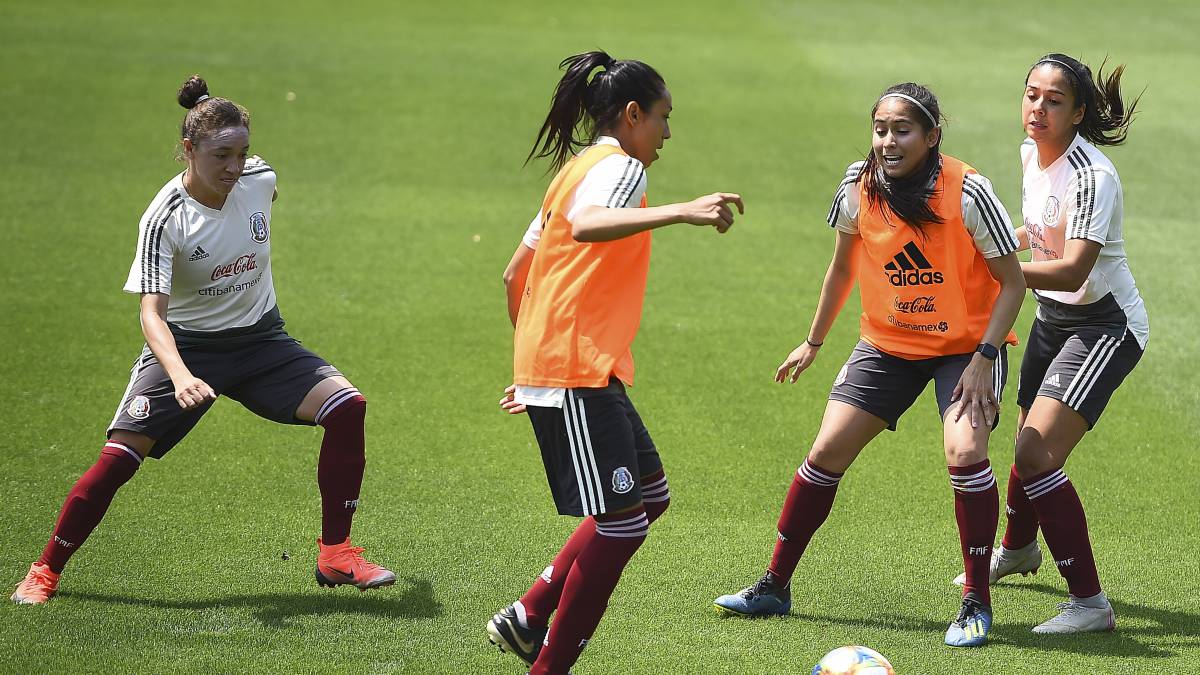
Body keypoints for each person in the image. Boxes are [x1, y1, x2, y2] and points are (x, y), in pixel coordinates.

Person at [11, 75, 394, 605]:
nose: (235, 168)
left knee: (348, 407)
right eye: (221, 156)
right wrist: (180, 374)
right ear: (189, 150)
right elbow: (151, 314)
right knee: (120, 457)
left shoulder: (259, 179)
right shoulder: (165, 217)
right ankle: (45, 569)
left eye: (242, 153)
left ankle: (336, 554)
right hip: (187, 350)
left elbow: (262, 190)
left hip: (262, 343)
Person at [712, 83, 1025, 648]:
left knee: (965, 450)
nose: (888, 141)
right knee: (826, 451)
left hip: (966, 348)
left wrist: (986, 356)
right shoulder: (858, 186)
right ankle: (774, 585)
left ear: (932, 137)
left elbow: (1013, 283)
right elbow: (841, 268)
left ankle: (976, 600)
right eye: (880, 129)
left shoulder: (969, 192)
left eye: (902, 130)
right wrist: (813, 341)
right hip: (887, 344)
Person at [486, 50, 743, 674]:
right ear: (632, 115)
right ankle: (547, 666)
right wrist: (682, 210)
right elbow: (589, 226)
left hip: (574, 367)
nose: (667, 133)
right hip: (575, 367)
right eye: (662, 117)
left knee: (648, 498)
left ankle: (529, 613)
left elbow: (515, 272)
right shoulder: (620, 169)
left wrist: (533, 367)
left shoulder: (574, 169)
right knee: (622, 525)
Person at [951, 53, 1146, 634]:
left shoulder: (1092, 176)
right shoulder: (1030, 156)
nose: (1037, 108)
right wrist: (994, 244)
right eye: (1031, 94)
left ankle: (1090, 603)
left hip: (1105, 324)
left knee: (1037, 455)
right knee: (1024, 439)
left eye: (1053, 100)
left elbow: (1068, 270)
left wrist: (991, 267)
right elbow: (1035, 237)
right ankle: (1018, 550)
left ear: (1079, 112)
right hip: (1055, 320)